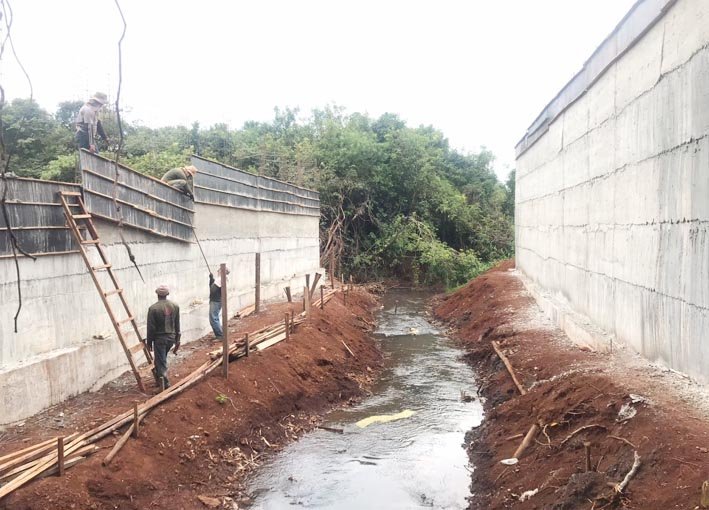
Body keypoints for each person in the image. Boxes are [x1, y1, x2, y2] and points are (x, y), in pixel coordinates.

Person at [146, 285, 181, 389]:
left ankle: (164, 384)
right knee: (160, 360)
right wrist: (177, 340)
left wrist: (149, 343)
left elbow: (151, 328)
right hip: (171, 338)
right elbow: (177, 324)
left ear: (157, 295)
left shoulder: (153, 309)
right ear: (167, 294)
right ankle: (159, 381)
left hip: (160, 339)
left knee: (161, 362)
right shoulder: (175, 306)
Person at [208, 266, 230, 339]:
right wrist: (211, 280)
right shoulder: (223, 279)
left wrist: (212, 281)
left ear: (221, 271)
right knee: (215, 317)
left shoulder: (220, 279)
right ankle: (220, 334)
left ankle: (220, 336)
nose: (217, 271)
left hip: (215, 301)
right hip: (218, 300)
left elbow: (213, 290)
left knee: (213, 318)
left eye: (219, 270)